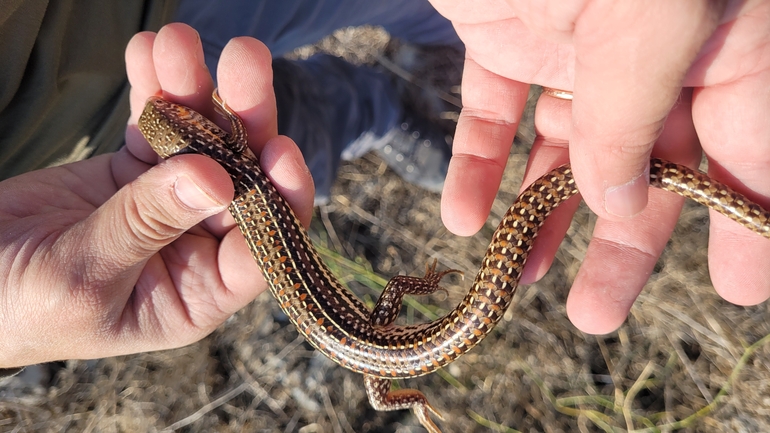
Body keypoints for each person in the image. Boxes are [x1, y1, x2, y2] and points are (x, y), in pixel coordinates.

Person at [3, 0, 770, 374]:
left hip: (88, 70)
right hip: (77, 123)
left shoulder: (223, 157)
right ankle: (387, 103)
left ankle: (394, 92)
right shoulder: (219, 155)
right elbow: (220, 154)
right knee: (281, 143)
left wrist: (405, 378)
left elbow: (380, 383)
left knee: (281, 142)